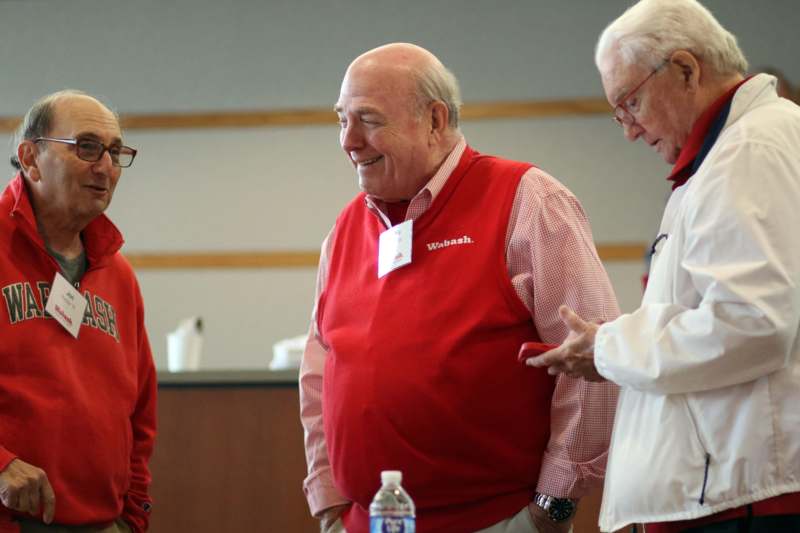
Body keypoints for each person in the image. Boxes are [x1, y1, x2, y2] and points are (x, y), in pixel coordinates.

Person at [299, 43, 620, 533]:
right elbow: (319, 369)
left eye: (368, 119)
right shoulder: (346, 228)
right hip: (367, 520)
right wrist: (329, 500)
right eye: (342, 119)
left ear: (434, 120)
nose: (349, 140)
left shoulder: (527, 200)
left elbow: (593, 362)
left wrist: (550, 508)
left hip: (496, 520)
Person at [527, 1, 800, 532]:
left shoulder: (749, 150)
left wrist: (608, 347)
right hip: (731, 489)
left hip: (742, 499)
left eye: (631, 103)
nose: (629, 130)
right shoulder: (735, 150)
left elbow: (752, 325)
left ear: (685, 69)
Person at [0, 91, 157, 533]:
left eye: (115, 151)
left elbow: (140, 410)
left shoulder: (118, 274)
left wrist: (133, 515)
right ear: (31, 158)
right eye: (86, 147)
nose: (105, 166)